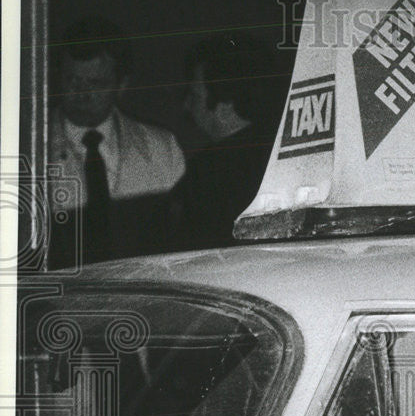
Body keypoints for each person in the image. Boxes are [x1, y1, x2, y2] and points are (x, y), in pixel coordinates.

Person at [48, 16, 186, 268]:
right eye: (72, 80)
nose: (82, 93)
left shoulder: (162, 149)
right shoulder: (28, 150)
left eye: (96, 83)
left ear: (121, 85)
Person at [175, 32, 275, 250]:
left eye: (194, 95)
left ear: (225, 100)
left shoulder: (207, 172)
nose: (186, 106)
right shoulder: (279, 153)